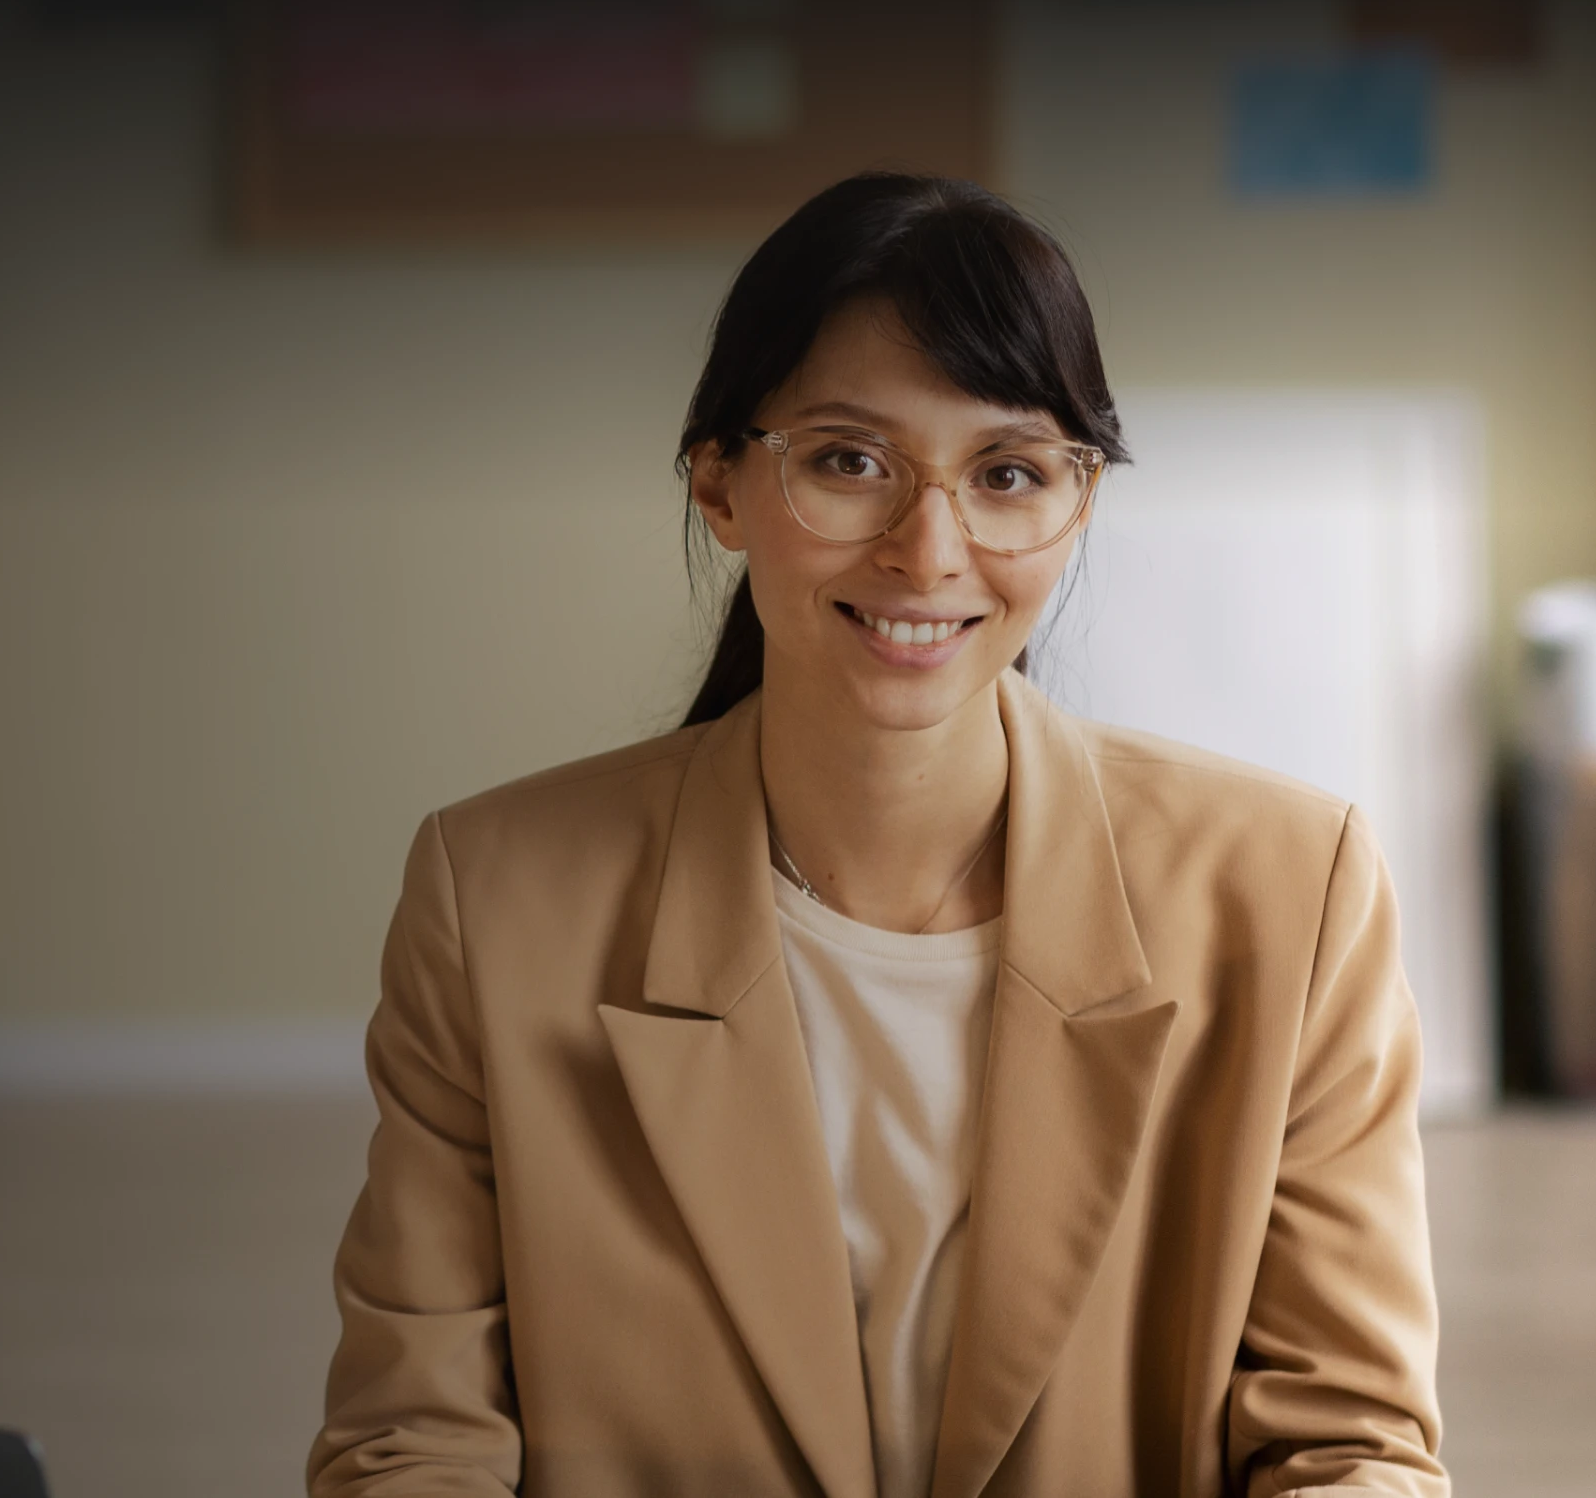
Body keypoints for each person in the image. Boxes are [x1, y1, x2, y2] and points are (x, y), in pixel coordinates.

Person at [308, 174, 1446, 1498]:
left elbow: (1353, 1447)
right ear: (721, 484)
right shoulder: (494, 901)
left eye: (1008, 472)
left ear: (1074, 508)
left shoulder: (1291, 893)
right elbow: (416, 1440)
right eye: (850, 461)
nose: (929, 549)